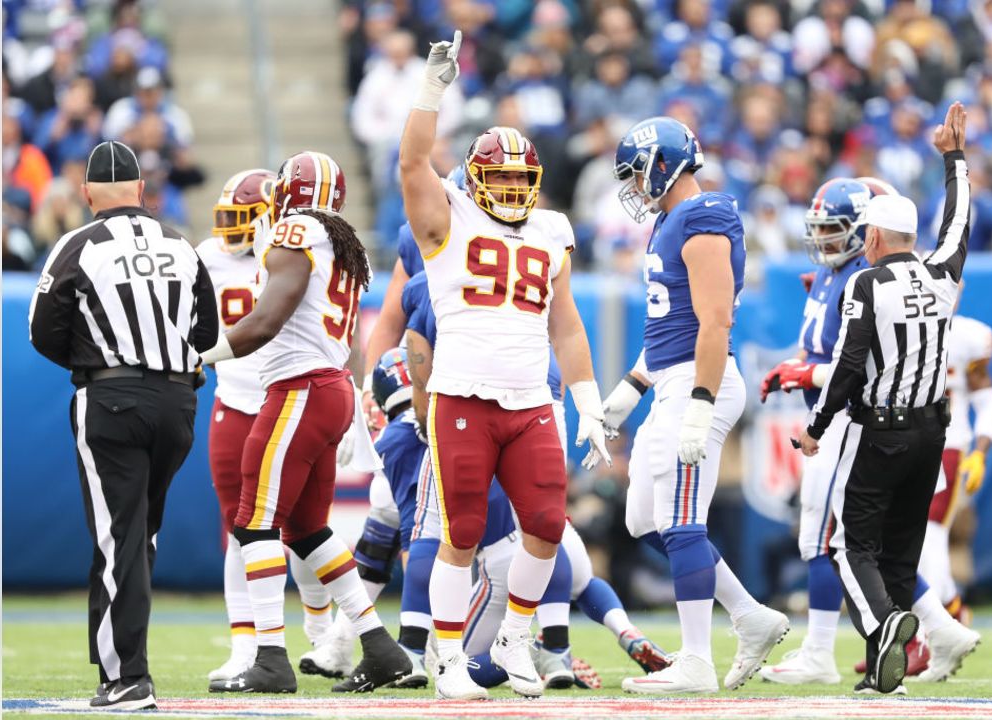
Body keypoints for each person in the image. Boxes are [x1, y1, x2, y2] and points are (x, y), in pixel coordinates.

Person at [397, 31, 611, 700]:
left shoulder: (551, 232)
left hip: (530, 403)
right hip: (464, 397)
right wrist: (432, 90)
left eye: (524, 178)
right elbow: (410, 165)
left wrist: (587, 400)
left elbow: (567, 324)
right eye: (503, 177)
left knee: (547, 525)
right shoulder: (448, 217)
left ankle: (519, 635)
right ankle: (450, 657)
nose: (515, 188)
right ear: (475, 179)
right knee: (461, 533)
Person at [200, 151, 410, 694]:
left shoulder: (297, 231)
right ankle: (380, 648)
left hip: (299, 387)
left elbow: (267, 320)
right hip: (330, 387)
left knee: (252, 520)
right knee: (308, 529)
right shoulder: (343, 243)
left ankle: (269, 656)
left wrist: (199, 355)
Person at [594, 116, 790, 695]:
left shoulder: (704, 215)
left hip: (698, 384)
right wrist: (625, 395)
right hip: (675, 380)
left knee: (681, 521)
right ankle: (750, 615)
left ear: (663, 162)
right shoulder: (668, 220)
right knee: (643, 518)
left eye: (636, 175)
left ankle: (698, 661)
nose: (632, 188)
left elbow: (714, 321)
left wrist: (701, 403)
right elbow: (667, 330)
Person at [758, 176, 979, 687]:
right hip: (928, 430)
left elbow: (851, 363)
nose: (825, 239)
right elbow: (958, 225)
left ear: (870, 235)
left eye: (838, 230)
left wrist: (811, 415)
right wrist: (956, 162)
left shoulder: (866, 282)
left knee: (839, 543)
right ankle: (916, 647)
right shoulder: (935, 273)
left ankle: (869, 634)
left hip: (868, 426)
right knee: (894, 548)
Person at [28, 140, 218, 710]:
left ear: (87, 195)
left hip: (111, 400)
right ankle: (127, 662)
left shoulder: (77, 244)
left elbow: (42, 330)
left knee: (118, 542)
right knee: (138, 538)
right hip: (178, 404)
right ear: (142, 191)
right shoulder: (180, 245)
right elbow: (205, 334)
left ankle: (127, 676)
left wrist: (99, 363)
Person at [195, 168, 356, 686]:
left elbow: (308, 326)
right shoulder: (207, 257)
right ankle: (249, 645)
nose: (234, 231)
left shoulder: (295, 241)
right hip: (237, 398)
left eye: (246, 219)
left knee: (300, 527)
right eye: (229, 220)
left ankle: (319, 626)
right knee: (243, 530)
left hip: (290, 394)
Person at [918, 308, 992, 627]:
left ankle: (931, 628)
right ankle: (951, 608)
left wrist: (979, 452)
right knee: (904, 535)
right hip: (902, 440)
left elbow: (986, 401)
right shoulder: (893, 323)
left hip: (948, 442)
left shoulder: (968, 337)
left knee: (931, 530)